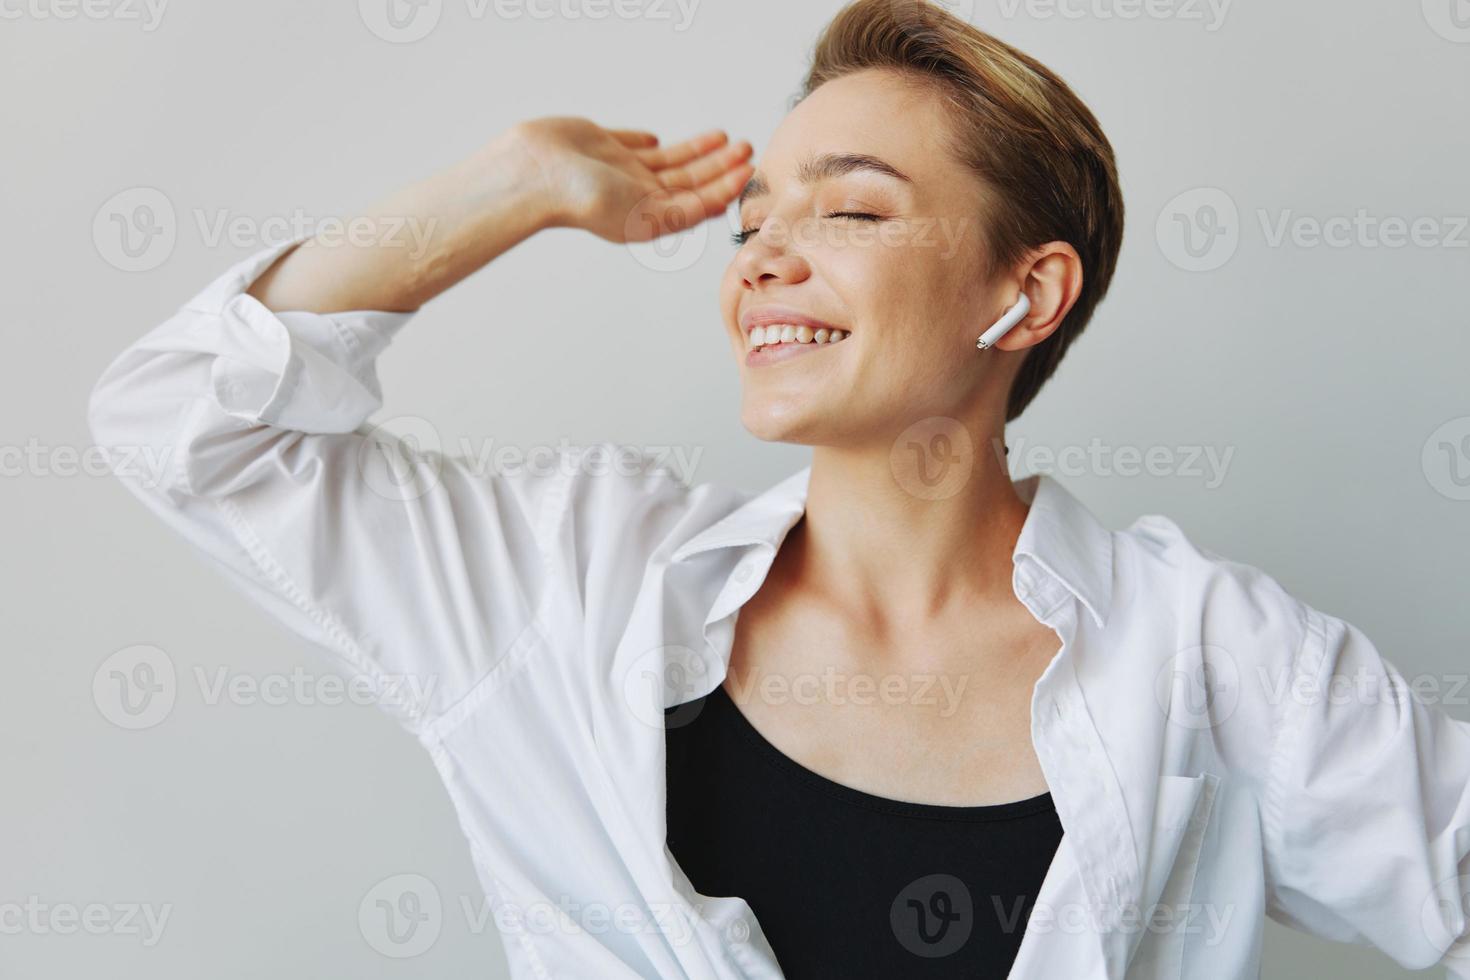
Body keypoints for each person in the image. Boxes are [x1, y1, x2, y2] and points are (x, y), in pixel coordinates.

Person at [87, 0, 1470, 976]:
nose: (759, 258)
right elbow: (179, 423)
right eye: (754, 223)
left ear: (1024, 292)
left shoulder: (1214, 658)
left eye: (850, 210)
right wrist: (508, 186)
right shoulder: (567, 587)